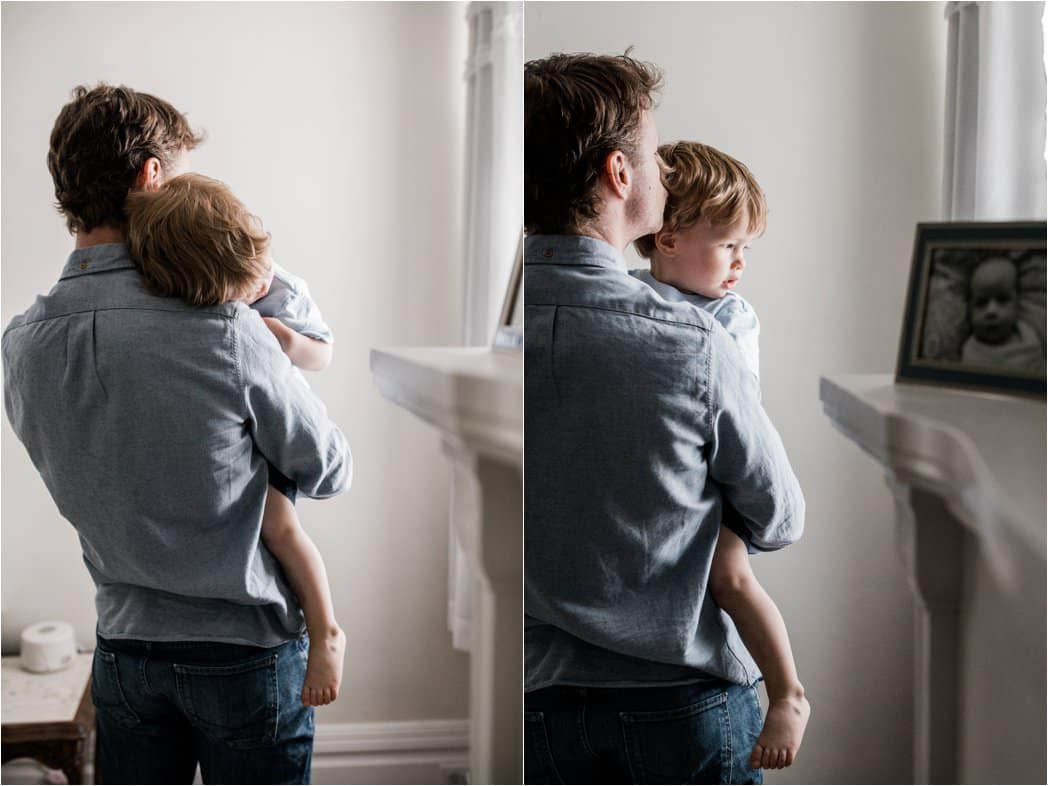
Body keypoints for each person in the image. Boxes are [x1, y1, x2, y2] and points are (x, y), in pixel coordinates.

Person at [3, 84, 351, 784]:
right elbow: (331, 470)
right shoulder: (223, 329)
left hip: (122, 654)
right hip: (244, 655)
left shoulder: (21, 345)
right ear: (150, 177)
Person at [524, 52, 805, 784]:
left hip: (530, 698)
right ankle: (791, 693)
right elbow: (779, 515)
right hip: (677, 698)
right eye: (653, 157)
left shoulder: (504, 328)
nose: (663, 174)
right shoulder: (691, 341)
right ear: (621, 174)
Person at [125, 172, 346, 708]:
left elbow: (324, 353)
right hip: (228, 438)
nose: (256, 289)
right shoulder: (199, 304)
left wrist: (286, 344)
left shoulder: (281, 286)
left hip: (273, 433)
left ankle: (326, 630)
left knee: (280, 526)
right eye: (238, 292)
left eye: (256, 277)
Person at [633, 140, 811, 770]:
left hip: (716, 480)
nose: (739, 263)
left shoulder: (728, 317)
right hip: (663, 480)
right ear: (668, 236)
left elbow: (738, 423)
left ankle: (787, 693)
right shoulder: (628, 297)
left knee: (729, 575)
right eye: (727, 244)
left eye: (745, 249)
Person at [961, 255, 1044, 371]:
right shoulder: (969, 351)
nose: (991, 311)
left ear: (1018, 304)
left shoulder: (1031, 340)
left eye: (1002, 300)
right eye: (981, 303)